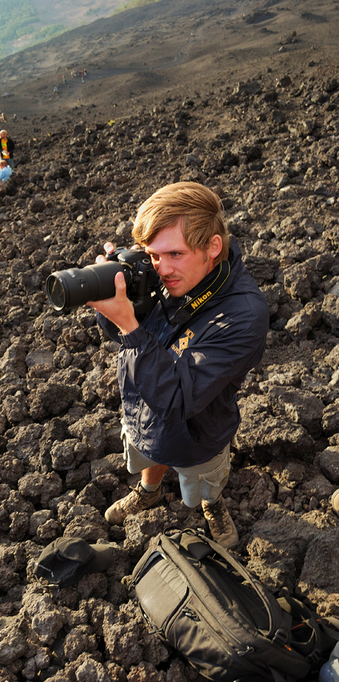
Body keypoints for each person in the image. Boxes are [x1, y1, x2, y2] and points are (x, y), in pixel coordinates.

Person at [89, 182, 269, 549]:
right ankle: (149, 490)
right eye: (153, 255)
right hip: (141, 408)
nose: (162, 269)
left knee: (204, 478)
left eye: (175, 254)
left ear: (212, 247)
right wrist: (115, 299)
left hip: (198, 434)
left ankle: (212, 503)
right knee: (148, 450)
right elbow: (122, 335)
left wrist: (130, 326)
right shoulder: (166, 277)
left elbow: (177, 402)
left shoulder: (244, 315)